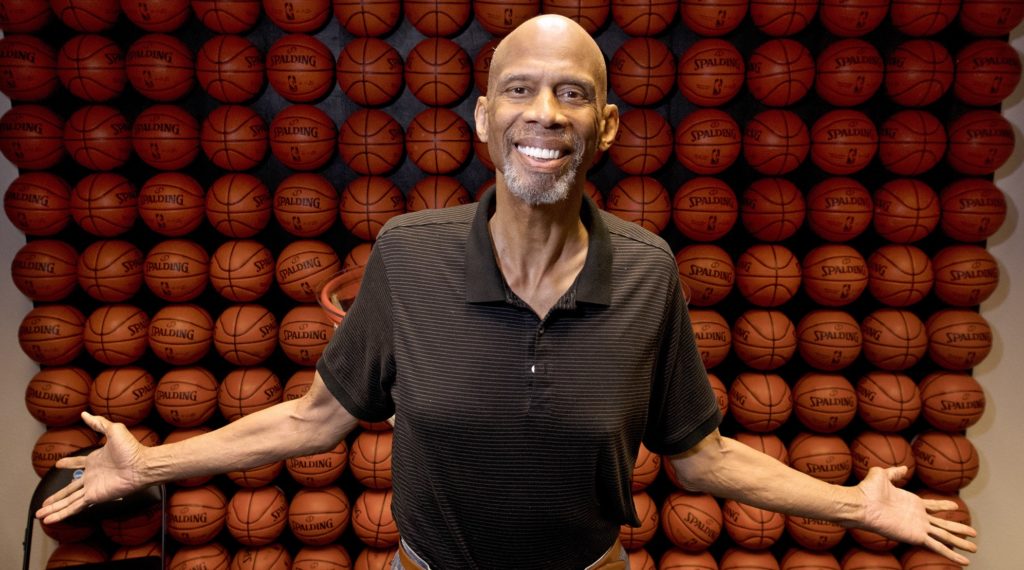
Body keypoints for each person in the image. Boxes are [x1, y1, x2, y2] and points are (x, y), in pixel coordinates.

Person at [38, 14, 976, 570]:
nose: (544, 114)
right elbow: (313, 419)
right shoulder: (408, 255)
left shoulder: (647, 272)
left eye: (573, 95)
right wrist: (149, 467)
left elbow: (702, 455)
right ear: (485, 116)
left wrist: (858, 507)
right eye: (520, 90)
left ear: (605, 126)